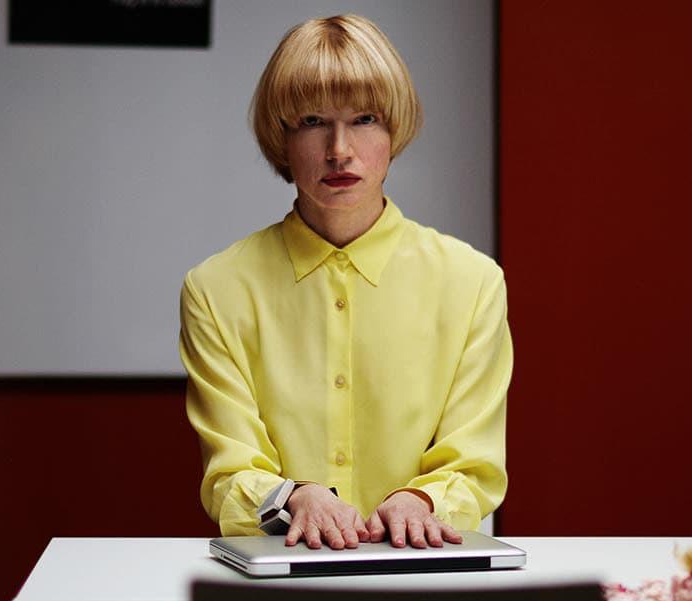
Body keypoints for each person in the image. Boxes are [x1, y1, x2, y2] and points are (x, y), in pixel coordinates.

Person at [180, 14, 511, 550]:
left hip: (427, 569)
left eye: (364, 119)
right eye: (313, 121)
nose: (339, 150)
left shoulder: (473, 283)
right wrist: (295, 496)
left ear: (394, 129)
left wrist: (419, 500)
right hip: (284, 571)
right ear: (282, 137)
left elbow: (475, 464)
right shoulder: (216, 289)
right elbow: (230, 471)